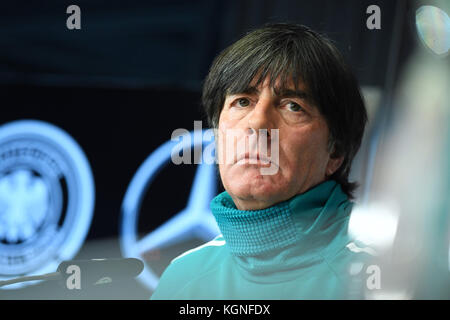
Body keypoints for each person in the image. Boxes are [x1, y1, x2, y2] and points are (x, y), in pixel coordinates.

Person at [151, 23, 370, 299]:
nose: (257, 123)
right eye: (242, 102)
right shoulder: (183, 276)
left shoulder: (380, 278)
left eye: (293, 106)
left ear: (335, 152)